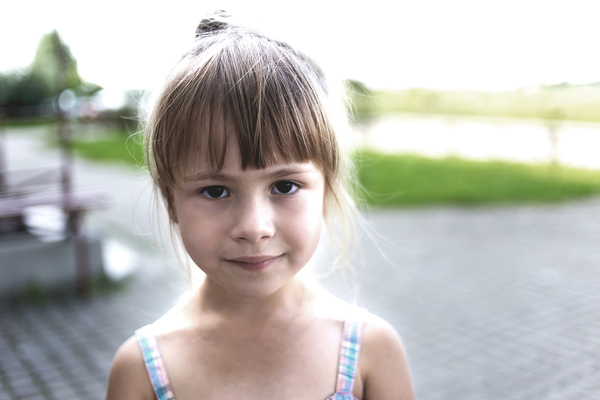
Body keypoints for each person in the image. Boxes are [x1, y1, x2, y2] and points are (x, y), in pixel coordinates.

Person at [106, 12, 413, 400]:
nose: (254, 227)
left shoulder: (371, 353)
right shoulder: (141, 371)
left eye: (284, 185)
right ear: (171, 202)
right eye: (216, 191)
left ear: (327, 190)